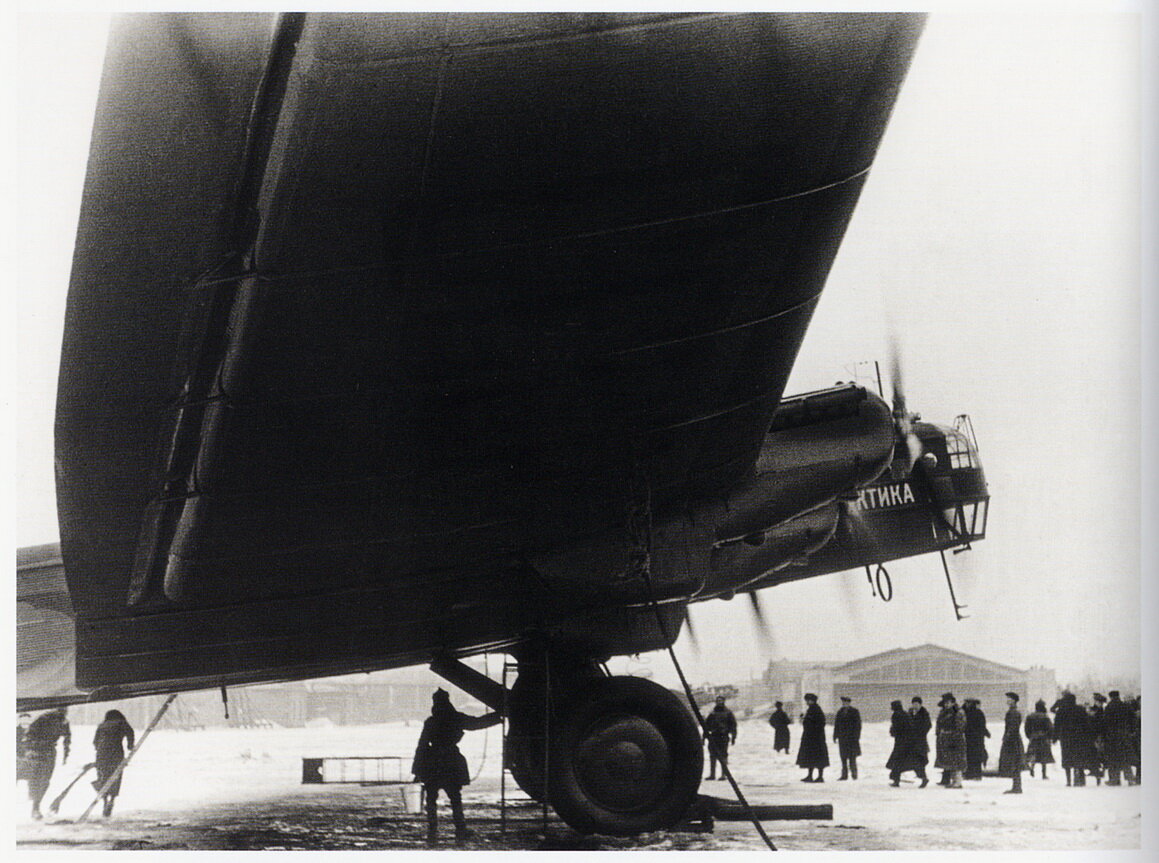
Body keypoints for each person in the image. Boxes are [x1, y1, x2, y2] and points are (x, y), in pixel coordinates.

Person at [411, 689, 500, 843]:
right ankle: (460, 829)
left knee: (431, 799)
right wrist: (497, 717)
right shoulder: (456, 718)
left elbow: (422, 745)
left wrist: (417, 770)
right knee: (455, 798)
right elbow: (477, 723)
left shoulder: (431, 722)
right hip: (451, 762)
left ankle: (432, 830)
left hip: (432, 764)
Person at [23, 707, 71, 819]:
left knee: (45, 781)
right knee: (35, 779)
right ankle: (35, 807)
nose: (64, 711)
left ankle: (36, 806)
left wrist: (66, 755)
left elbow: (67, 738)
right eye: (62, 709)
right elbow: (27, 736)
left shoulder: (63, 721)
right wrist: (32, 748)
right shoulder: (43, 718)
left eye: (65, 709)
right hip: (36, 752)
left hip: (49, 752)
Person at [92, 709, 135, 817]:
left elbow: (95, 742)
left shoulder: (102, 725)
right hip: (116, 754)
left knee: (103, 778)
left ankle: (105, 800)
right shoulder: (122, 723)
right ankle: (112, 799)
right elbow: (130, 733)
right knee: (115, 777)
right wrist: (130, 746)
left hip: (101, 755)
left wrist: (100, 750)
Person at [886, 699, 927, 787]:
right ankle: (923, 778)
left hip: (901, 743)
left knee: (898, 761)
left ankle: (896, 781)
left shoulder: (896, 715)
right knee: (913, 762)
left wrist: (892, 731)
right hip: (910, 743)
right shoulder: (905, 714)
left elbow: (896, 729)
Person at [1052, 691, 1087, 786]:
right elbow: (1086, 724)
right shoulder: (1081, 709)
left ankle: (1068, 780)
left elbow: (1057, 725)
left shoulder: (1061, 710)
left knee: (1067, 757)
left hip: (1065, 737)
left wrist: (1054, 738)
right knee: (1078, 756)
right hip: (1079, 737)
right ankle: (1079, 777)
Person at [934, 692, 966, 788]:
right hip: (945, 740)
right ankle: (953, 781)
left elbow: (960, 727)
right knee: (950, 761)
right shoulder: (944, 712)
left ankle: (958, 782)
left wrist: (955, 738)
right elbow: (939, 725)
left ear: (953, 702)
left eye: (948, 703)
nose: (946, 705)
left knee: (956, 761)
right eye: (945, 703)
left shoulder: (958, 712)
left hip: (955, 739)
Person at [1102, 690, 1134, 786]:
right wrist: (1131, 731)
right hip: (1124, 734)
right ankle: (1130, 778)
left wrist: (1104, 735)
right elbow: (1133, 718)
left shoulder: (1109, 707)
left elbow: (1105, 723)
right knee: (1125, 757)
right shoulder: (1126, 706)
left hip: (1112, 736)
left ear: (1111, 697)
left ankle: (1114, 779)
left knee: (1113, 758)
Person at [796, 693, 829, 782]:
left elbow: (820, 723)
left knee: (816, 757)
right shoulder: (812, 709)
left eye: (808, 700)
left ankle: (819, 776)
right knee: (811, 757)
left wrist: (808, 721)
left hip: (815, 738)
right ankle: (810, 775)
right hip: (812, 737)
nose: (806, 702)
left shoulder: (816, 709)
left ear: (812, 701)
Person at [703, 695, 738, 780]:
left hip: (723, 736)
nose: (719, 702)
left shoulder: (728, 713)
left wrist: (733, 737)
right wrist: (703, 738)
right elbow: (706, 726)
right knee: (712, 755)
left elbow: (733, 726)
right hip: (713, 737)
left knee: (723, 755)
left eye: (721, 700)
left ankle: (723, 775)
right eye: (718, 700)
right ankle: (712, 775)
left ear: (724, 701)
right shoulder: (712, 713)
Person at [998, 691, 1025, 794]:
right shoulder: (1013, 712)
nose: (1007, 700)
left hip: (1012, 741)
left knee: (1014, 762)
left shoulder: (1013, 713)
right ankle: (1016, 786)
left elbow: (1013, 727)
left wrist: (1007, 737)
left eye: (1009, 698)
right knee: (1015, 763)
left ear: (1014, 700)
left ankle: (1017, 787)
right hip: (1014, 739)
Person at [832, 696, 862, 780]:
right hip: (843, 739)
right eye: (843, 702)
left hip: (852, 739)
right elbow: (837, 725)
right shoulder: (840, 712)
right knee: (843, 757)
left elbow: (858, 725)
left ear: (849, 703)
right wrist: (835, 735)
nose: (844, 704)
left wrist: (856, 736)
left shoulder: (854, 712)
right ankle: (844, 775)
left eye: (845, 702)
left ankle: (854, 774)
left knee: (852, 758)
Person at [1023, 699, 1054, 779]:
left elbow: (1026, 728)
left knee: (1033, 754)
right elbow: (1050, 728)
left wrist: (1030, 736)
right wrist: (1050, 736)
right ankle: (1043, 774)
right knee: (1044, 757)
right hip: (1043, 738)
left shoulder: (1030, 716)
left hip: (1033, 737)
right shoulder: (1045, 716)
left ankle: (1032, 768)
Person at [962, 698, 990, 780]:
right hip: (976, 739)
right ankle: (975, 774)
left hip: (972, 738)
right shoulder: (977, 713)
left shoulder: (966, 712)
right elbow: (982, 726)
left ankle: (971, 774)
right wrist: (986, 733)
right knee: (975, 757)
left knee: (971, 756)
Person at [908, 696, 932, 787]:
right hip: (911, 742)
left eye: (917, 704)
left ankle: (924, 778)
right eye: (913, 704)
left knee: (920, 761)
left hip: (921, 742)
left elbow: (928, 725)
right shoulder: (910, 712)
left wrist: (920, 733)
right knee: (912, 761)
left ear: (920, 704)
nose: (915, 706)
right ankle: (896, 779)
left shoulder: (924, 713)